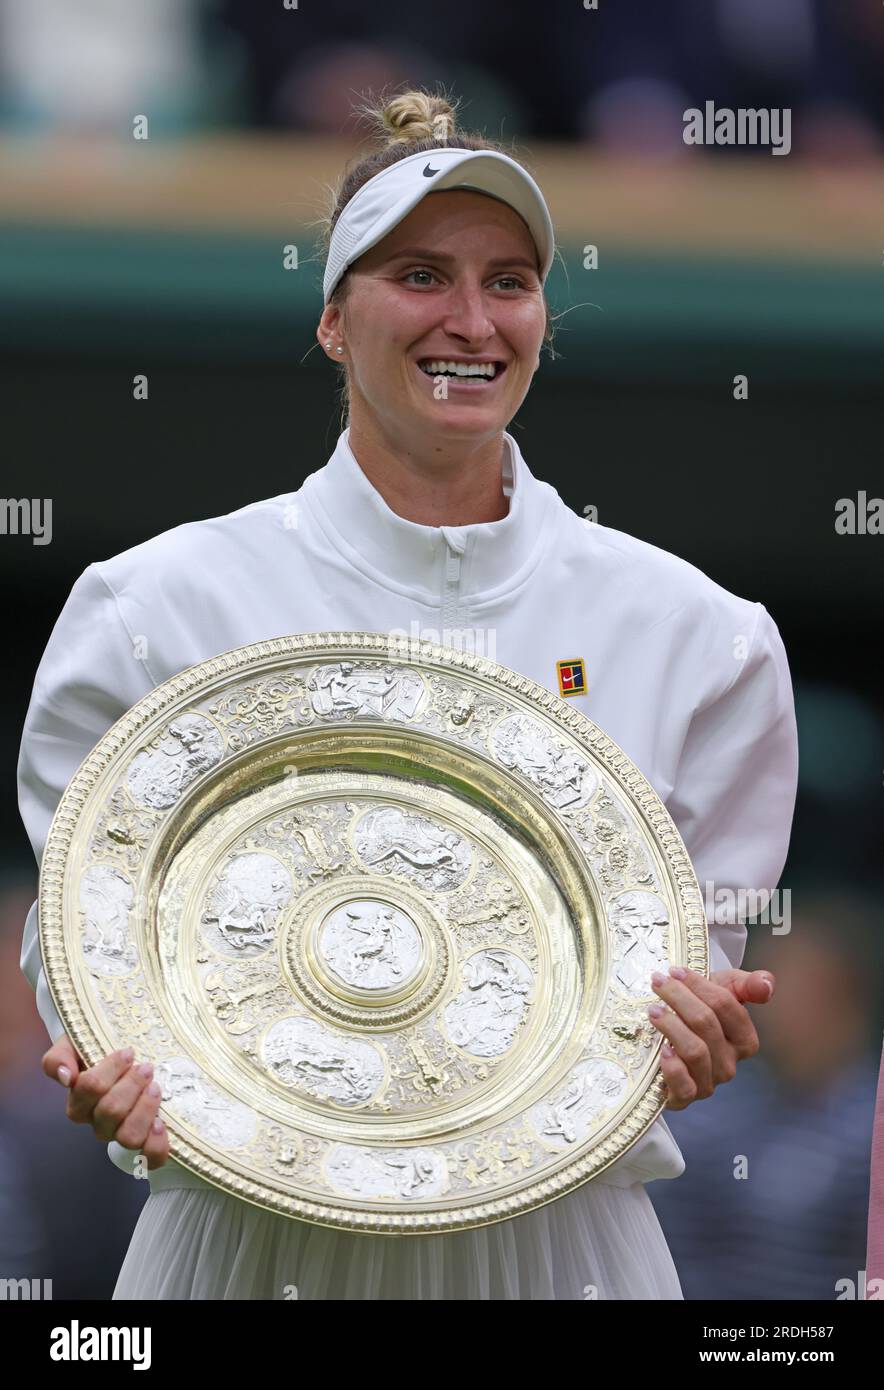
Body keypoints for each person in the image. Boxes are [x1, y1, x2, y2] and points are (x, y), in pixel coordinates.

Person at [17, 87, 798, 1300]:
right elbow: (88, 953)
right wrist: (111, 1072)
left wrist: (690, 1040)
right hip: (241, 1243)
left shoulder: (704, 639)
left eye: (509, 282)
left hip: (562, 1250)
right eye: (421, 276)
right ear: (333, 321)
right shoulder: (149, 606)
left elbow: (674, 990)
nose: (472, 321)